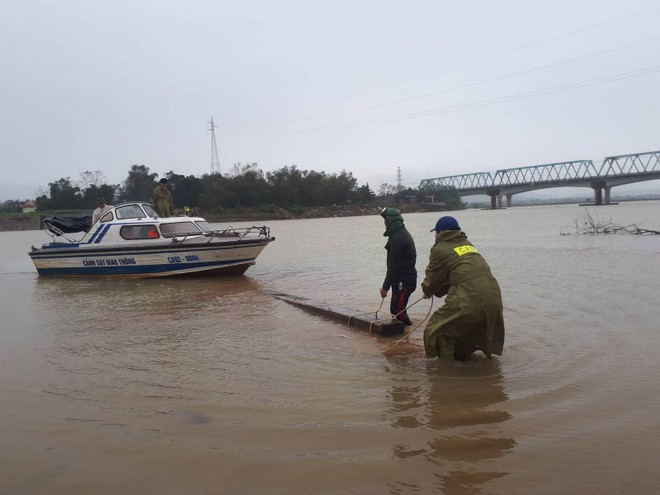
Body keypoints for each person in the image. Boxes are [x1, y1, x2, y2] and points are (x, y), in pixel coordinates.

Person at [421, 216, 505, 361]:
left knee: (437, 329)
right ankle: (467, 364)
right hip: (494, 297)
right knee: (465, 329)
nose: (435, 236)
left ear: (440, 233)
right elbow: (457, 274)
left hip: (471, 298)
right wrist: (434, 290)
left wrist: (427, 291)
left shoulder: (439, 248)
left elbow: (434, 277)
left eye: (435, 233)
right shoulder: (468, 244)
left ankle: (446, 370)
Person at [379, 207, 417, 326]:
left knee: (398, 312)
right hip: (400, 280)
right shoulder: (397, 234)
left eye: (385, 221)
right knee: (396, 310)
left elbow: (393, 266)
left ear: (391, 221)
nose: (384, 223)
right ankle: (404, 337)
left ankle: (407, 339)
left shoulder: (398, 238)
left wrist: (385, 288)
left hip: (404, 281)